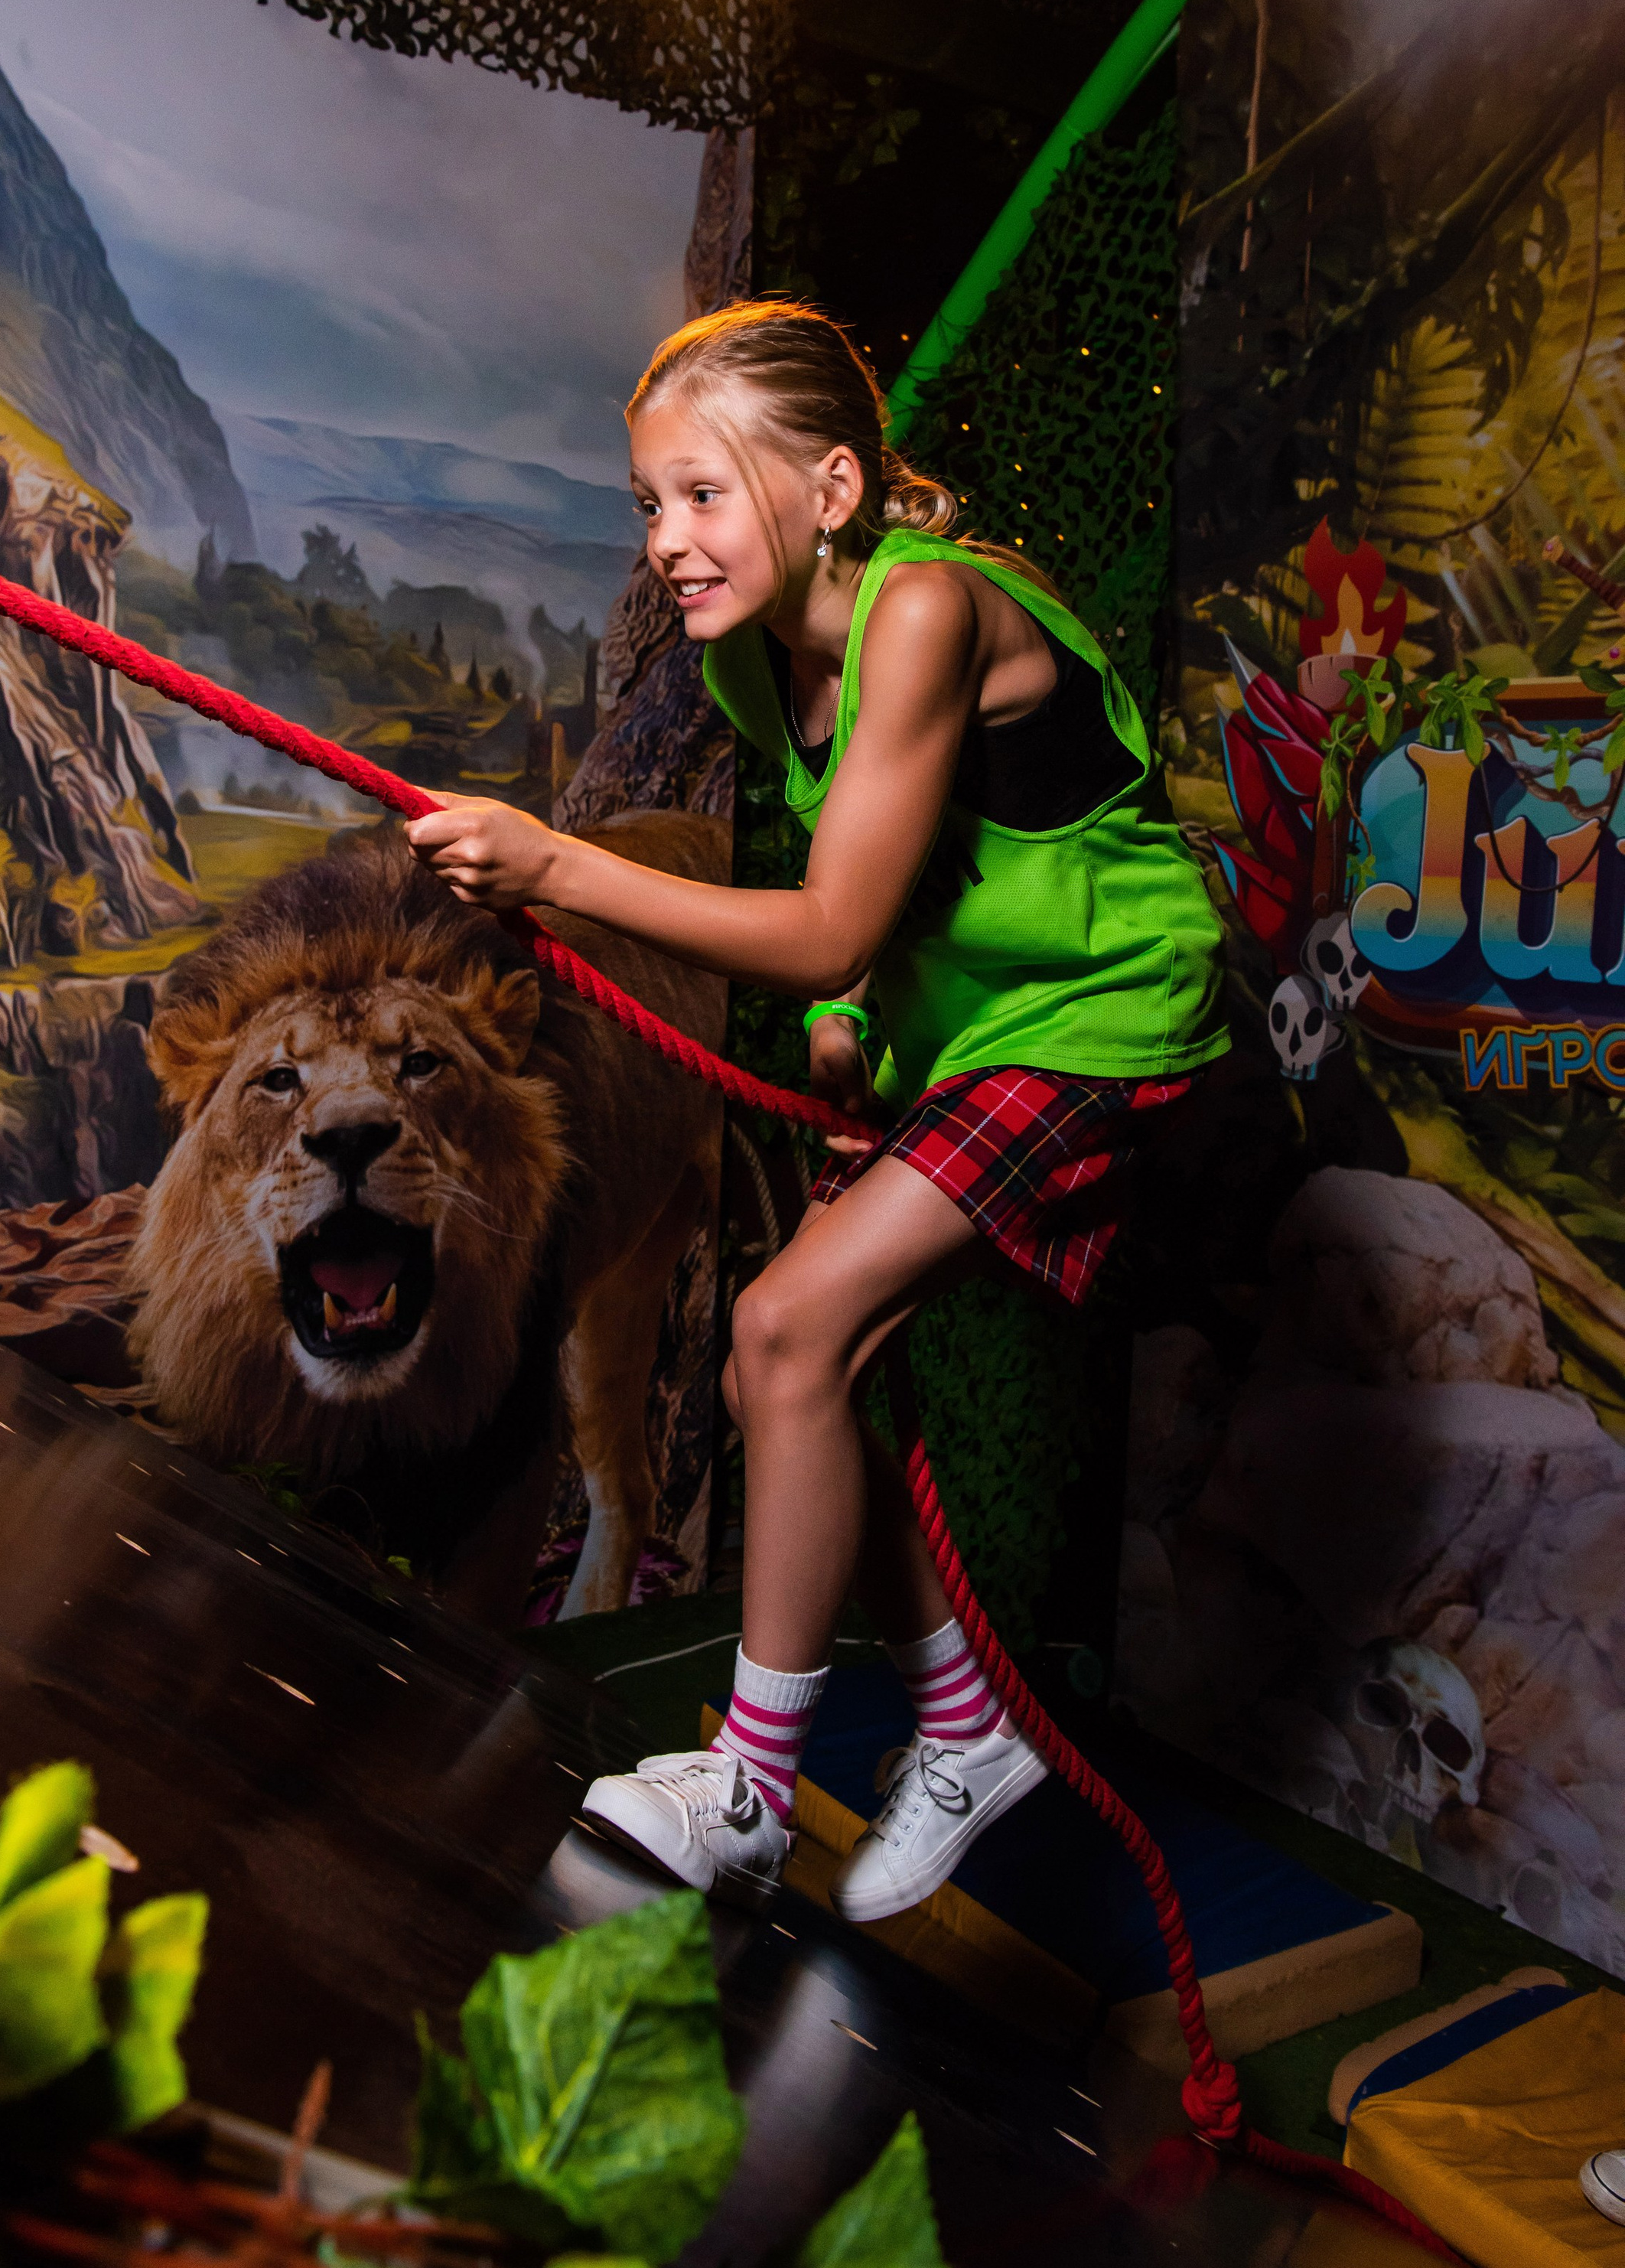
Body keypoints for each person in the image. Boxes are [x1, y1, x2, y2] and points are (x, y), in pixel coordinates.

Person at [407, 301, 1229, 1919]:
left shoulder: (922, 608)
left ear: (834, 488)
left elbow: (837, 921)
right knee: (779, 1362)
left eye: (703, 495)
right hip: (975, 1033)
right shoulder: (755, 664)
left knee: (784, 1326)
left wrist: (561, 865)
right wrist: (852, 1029)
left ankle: (748, 1790)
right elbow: (875, 873)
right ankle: (964, 1724)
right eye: (649, 503)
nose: (666, 541)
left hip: (1106, 1014)